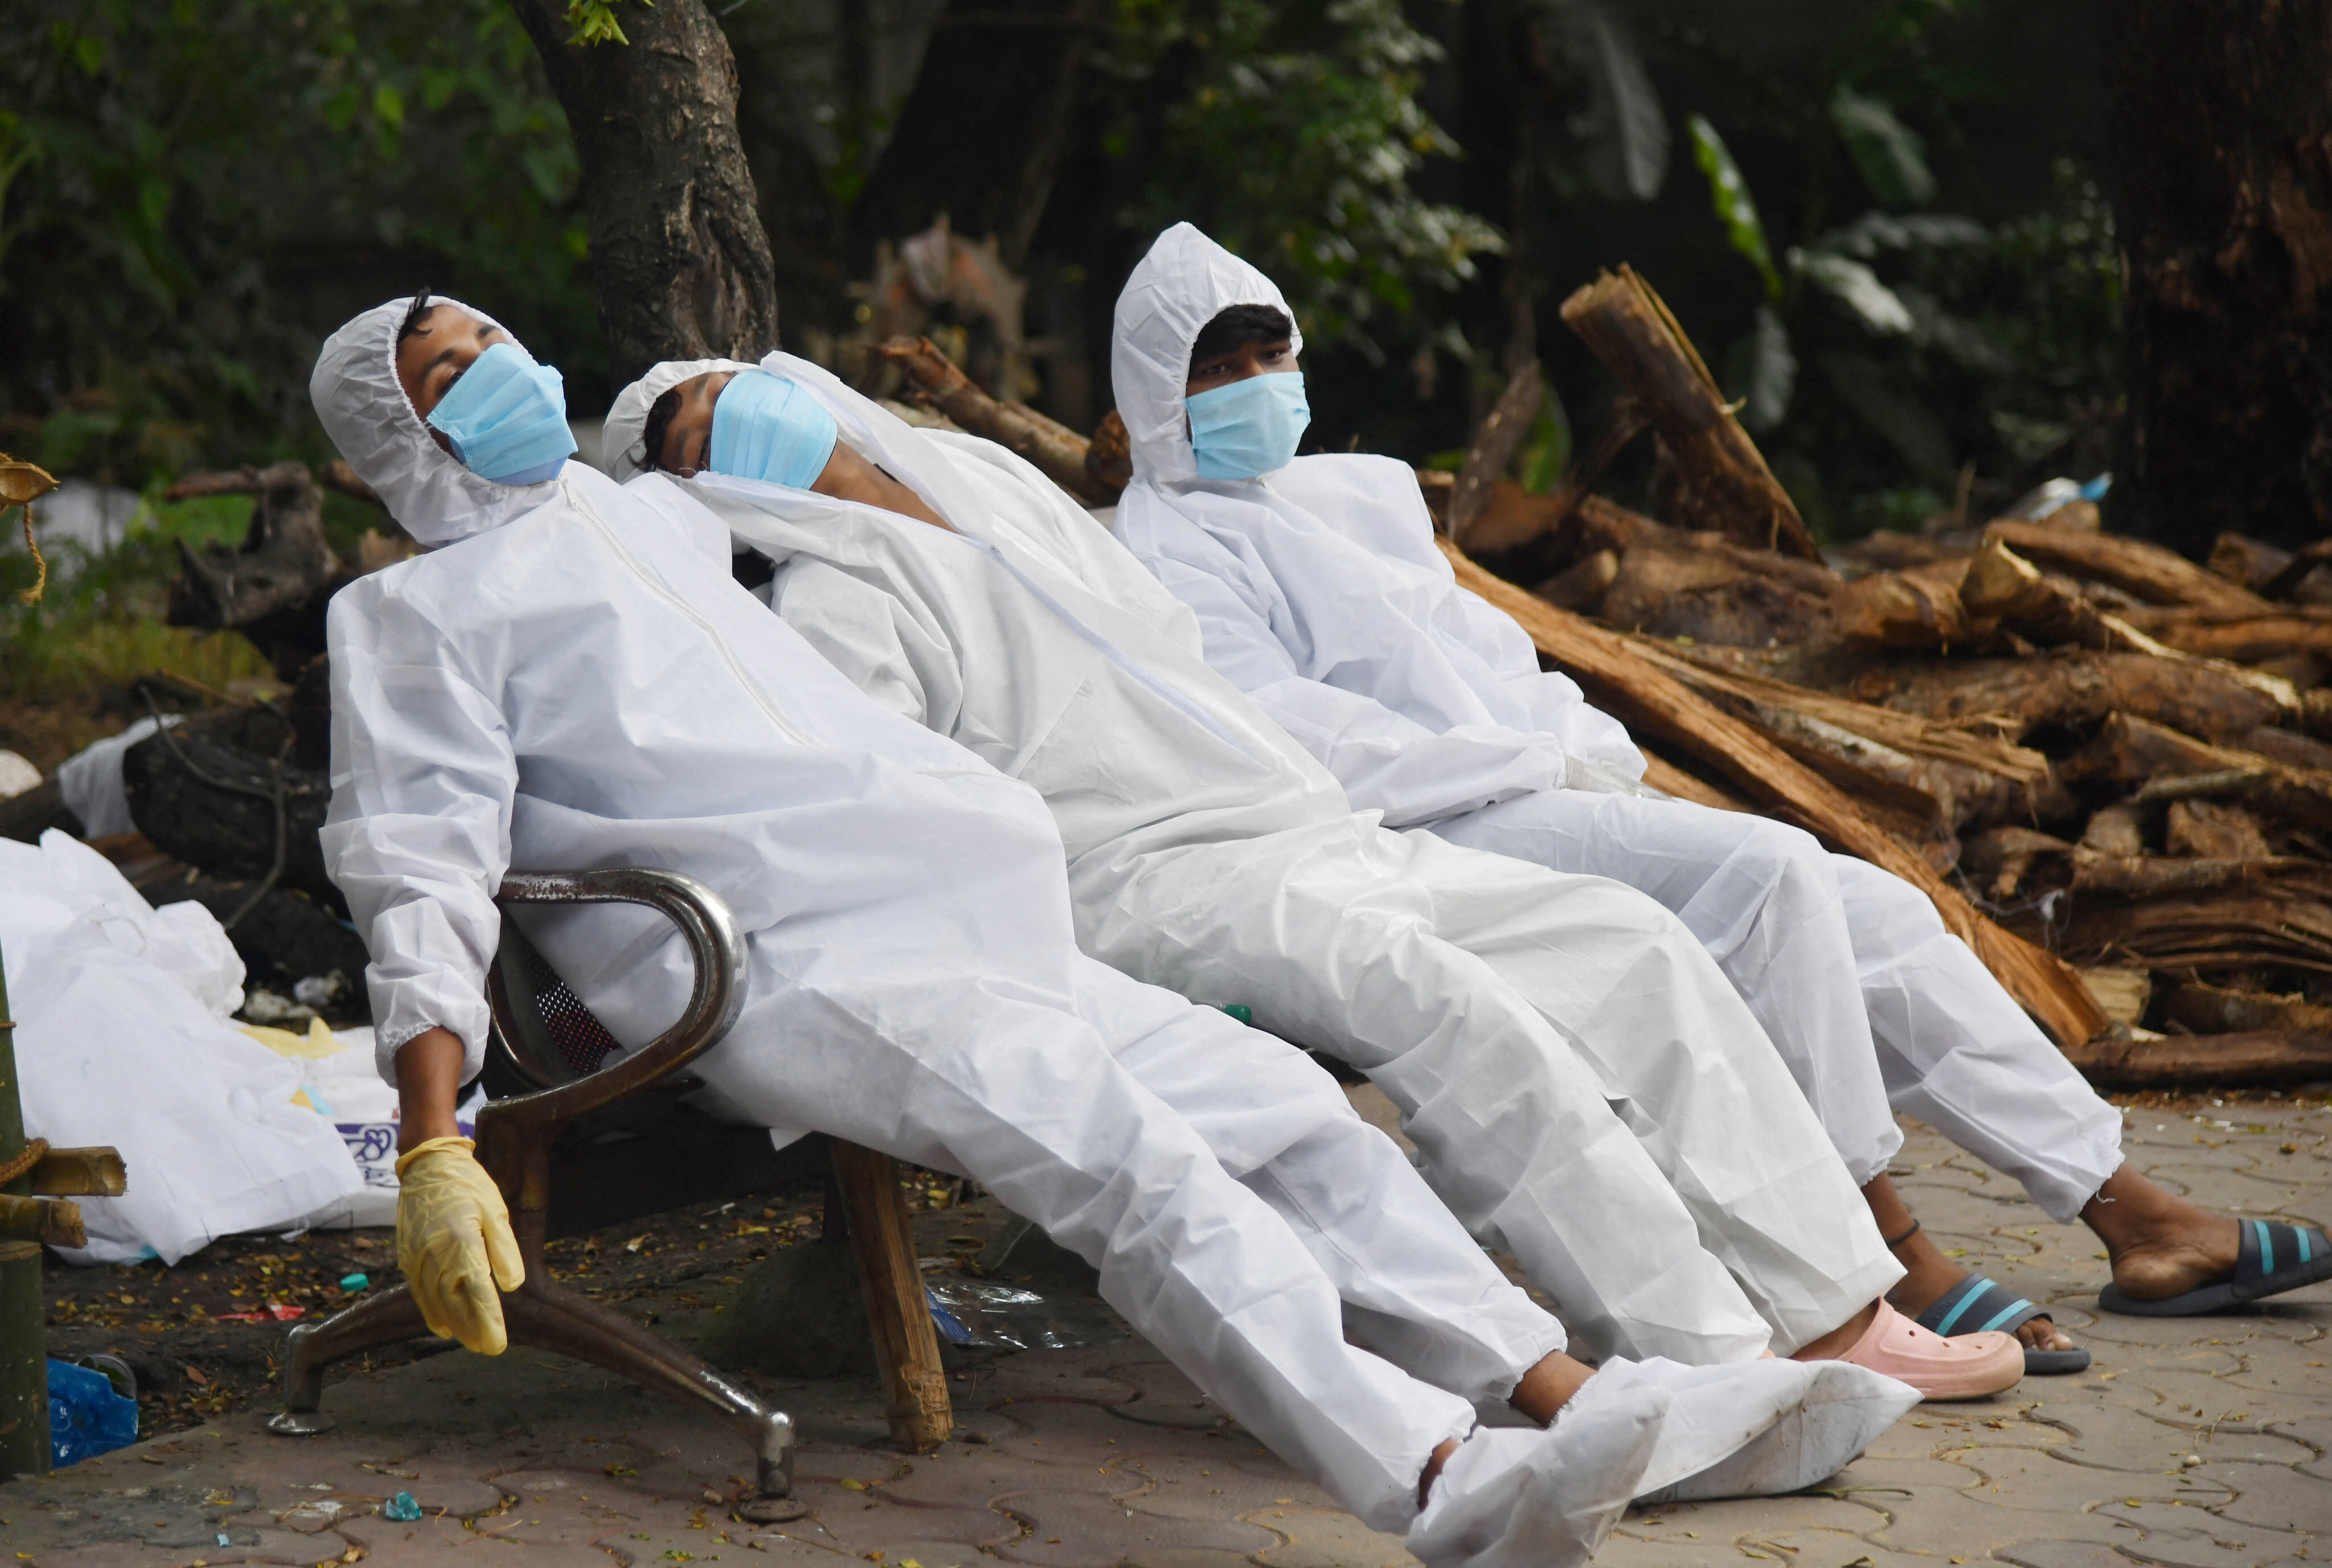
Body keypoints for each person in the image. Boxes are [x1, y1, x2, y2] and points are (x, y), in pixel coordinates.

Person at [312, 292, 1924, 1568]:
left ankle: (1565, 1392)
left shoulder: (639, 519)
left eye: (497, 339)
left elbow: (858, 500)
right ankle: (1433, 1475)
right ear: (392, 434)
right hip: (777, 963)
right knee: (1133, 1167)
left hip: (962, 907)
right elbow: (418, 862)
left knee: (1293, 1118)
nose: (507, 369)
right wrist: (435, 1139)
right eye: (458, 372)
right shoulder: (407, 619)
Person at [600, 351, 2027, 1402]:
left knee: (1617, 938)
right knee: (1446, 1002)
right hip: (1141, 879)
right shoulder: (830, 601)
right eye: (691, 428)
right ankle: (1703, 1353)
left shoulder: (992, 496)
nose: (729, 409)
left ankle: (1832, 1306)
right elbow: (906, 803)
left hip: (1286, 817)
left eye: (729, 382)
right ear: (692, 489)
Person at [1099, 222, 2332, 1363]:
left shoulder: (1339, 503)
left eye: (1273, 348)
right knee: (1766, 878)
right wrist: (1531, 760)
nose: (1263, 380)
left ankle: (2131, 1213)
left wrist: (1567, 740)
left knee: (1878, 916)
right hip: (1412, 832)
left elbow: (1493, 661)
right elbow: (1303, 741)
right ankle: (1878, 1253)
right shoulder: (1167, 551)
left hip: (1525, 788)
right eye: (1221, 366)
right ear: (1157, 394)